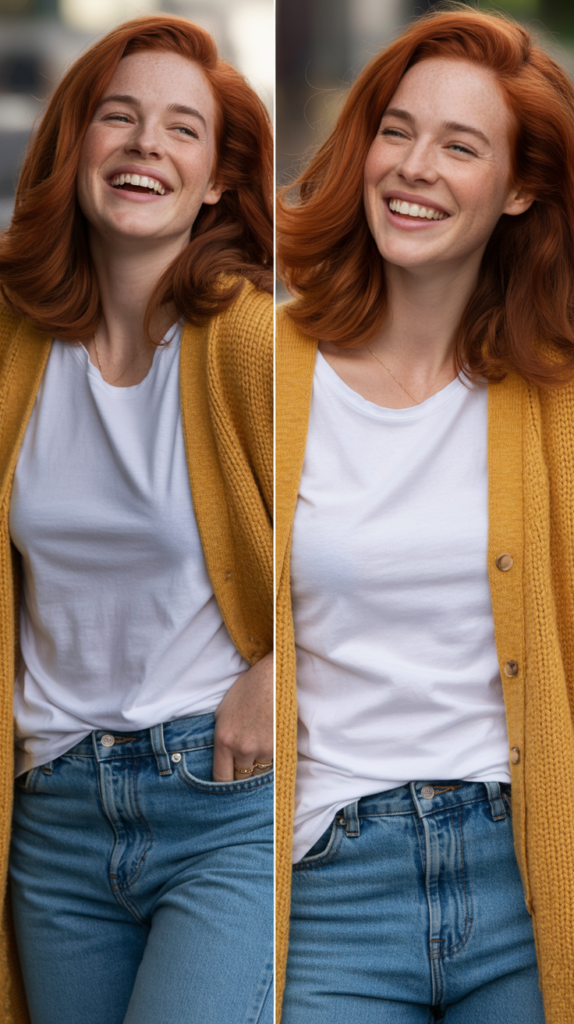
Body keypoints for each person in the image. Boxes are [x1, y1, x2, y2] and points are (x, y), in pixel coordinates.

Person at [276, 7, 574, 1023]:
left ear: (521, 186)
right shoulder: (259, 371)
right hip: (328, 883)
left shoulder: (553, 394)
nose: (413, 167)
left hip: (526, 879)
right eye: (396, 131)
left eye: (460, 145)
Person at [0, 14, 273, 1024]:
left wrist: (288, 664)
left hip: (216, 796)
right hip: (55, 815)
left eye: (181, 128)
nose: (144, 143)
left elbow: (371, 551)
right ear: (74, 148)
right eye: (117, 117)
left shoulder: (251, 343)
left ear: (213, 182)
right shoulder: (16, 340)